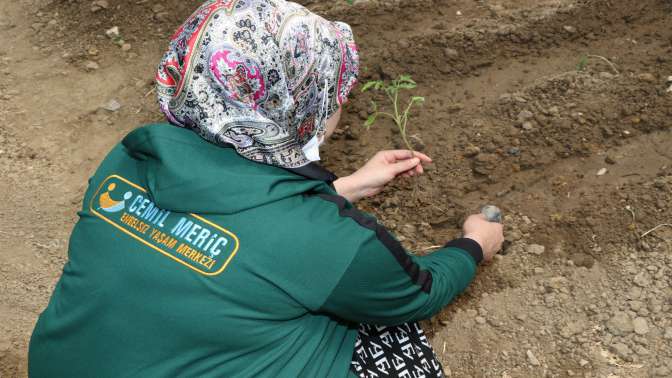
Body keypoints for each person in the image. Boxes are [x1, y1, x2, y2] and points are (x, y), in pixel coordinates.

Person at [28, 0, 504, 377]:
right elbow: (417, 293)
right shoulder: (332, 242)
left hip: (60, 364)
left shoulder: (131, 157)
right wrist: (473, 244)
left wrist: (345, 187)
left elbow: (239, 235)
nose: (338, 102)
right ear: (291, 101)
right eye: (332, 92)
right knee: (387, 338)